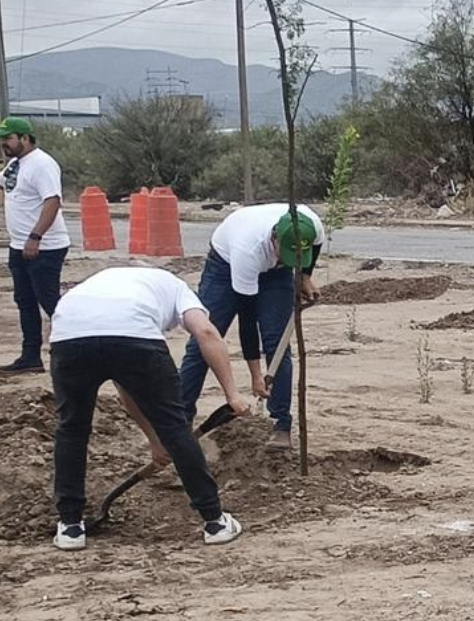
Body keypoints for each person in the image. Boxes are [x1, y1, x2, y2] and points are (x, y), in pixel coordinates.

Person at [48, 266, 249, 550]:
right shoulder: (177, 287)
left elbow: (126, 386)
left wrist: (155, 442)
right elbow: (205, 331)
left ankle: (70, 527)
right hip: (135, 336)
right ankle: (215, 522)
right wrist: (232, 395)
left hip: (69, 336)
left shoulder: (99, 281)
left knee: (72, 428)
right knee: (175, 426)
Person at [179, 203, 323, 450]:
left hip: (275, 276)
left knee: (278, 345)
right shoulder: (248, 250)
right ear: (274, 239)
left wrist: (304, 276)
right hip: (225, 265)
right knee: (205, 338)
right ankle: (179, 422)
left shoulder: (313, 226)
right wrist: (256, 376)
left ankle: (280, 424)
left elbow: (316, 248)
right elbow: (247, 321)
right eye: (284, 253)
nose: (282, 260)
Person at [1, 116, 72, 374]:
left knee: (50, 300)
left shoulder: (42, 164)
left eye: (8, 139)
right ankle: (30, 356)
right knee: (25, 301)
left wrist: (36, 236)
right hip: (19, 246)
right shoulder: (15, 165)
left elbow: (52, 201)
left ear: (24, 138)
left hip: (44, 246)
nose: (4, 144)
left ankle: (71, 350)